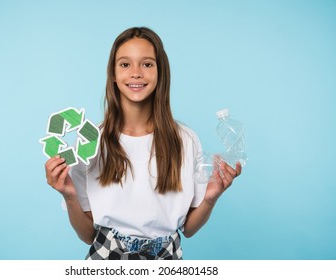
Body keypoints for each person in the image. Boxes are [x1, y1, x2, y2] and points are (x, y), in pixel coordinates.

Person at [44, 27, 242, 260]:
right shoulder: (91, 143)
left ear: (161, 72)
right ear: (114, 75)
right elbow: (88, 235)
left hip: (167, 258)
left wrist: (210, 198)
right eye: (125, 64)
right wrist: (69, 195)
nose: (136, 73)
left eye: (147, 64)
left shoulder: (185, 140)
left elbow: (188, 230)